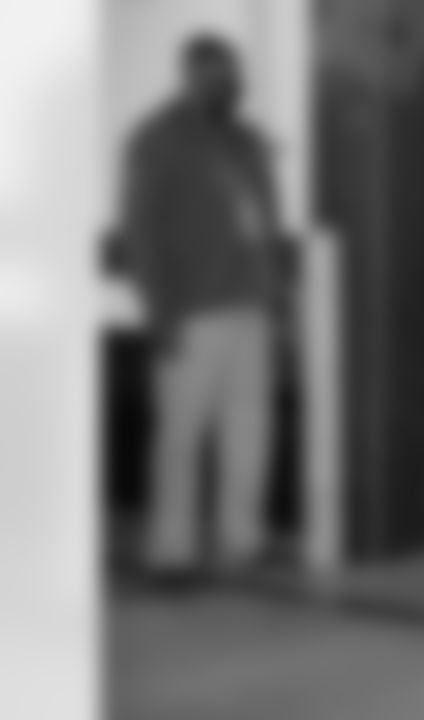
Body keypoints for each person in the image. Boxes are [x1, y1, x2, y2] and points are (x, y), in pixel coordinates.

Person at [119, 33, 291, 590]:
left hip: (252, 305)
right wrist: (160, 314)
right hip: (192, 312)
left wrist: (278, 299)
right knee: (181, 435)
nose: (232, 86)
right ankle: (171, 553)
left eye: (235, 76)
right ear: (191, 76)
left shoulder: (249, 140)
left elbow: (266, 222)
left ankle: (244, 539)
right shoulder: (155, 139)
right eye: (219, 76)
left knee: (251, 426)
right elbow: (142, 235)